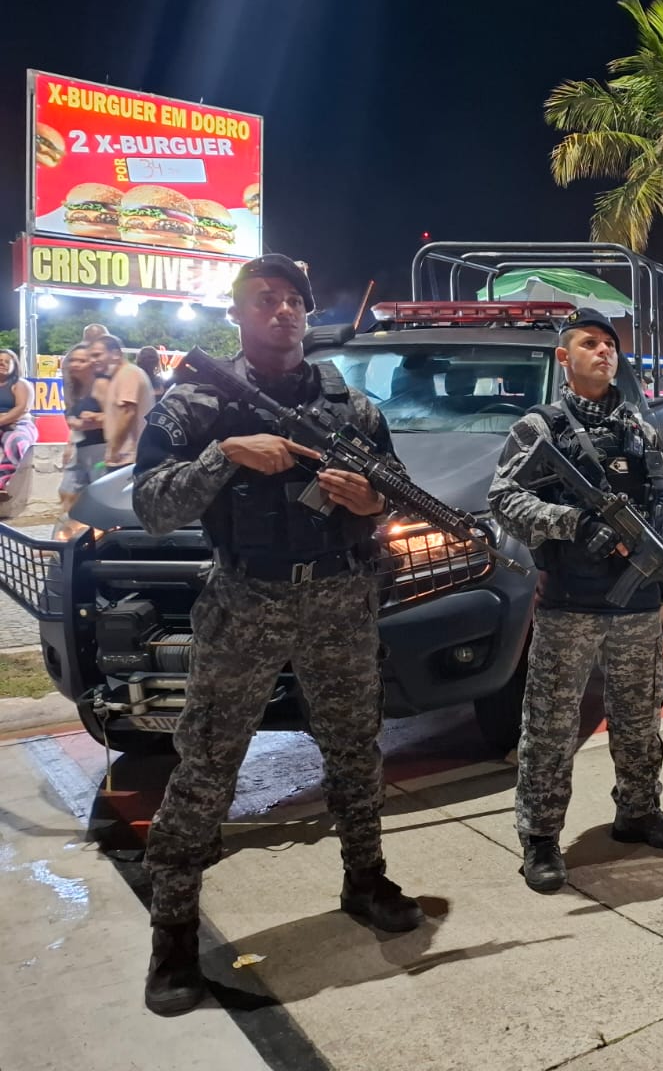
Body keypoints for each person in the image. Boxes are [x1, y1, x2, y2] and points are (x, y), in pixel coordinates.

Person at [132, 253, 423, 1017]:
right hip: (246, 599)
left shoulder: (349, 407)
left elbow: (388, 495)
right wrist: (224, 455)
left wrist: (366, 501)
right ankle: (173, 937)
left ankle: (366, 879)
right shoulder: (197, 403)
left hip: (339, 598)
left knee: (357, 748)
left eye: (293, 299)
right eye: (264, 299)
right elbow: (153, 505)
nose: (283, 310)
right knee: (207, 763)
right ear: (236, 314)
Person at [487, 307, 663, 894]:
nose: (604, 352)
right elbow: (504, 497)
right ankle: (539, 838)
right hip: (570, 606)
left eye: (609, 344)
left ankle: (638, 811)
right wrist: (571, 522)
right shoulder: (542, 427)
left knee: (638, 717)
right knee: (552, 726)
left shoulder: (640, 426)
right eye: (589, 343)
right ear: (565, 357)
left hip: (634, 606)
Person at [91, 333, 154, 470]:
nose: (93, 360)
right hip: (125, 457)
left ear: (115, 354)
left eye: (98, 355)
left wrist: (114, 449)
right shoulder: (121, 375)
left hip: (128, 458)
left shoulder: (128, 374)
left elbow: (127, 413)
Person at [57, 343, 107, 520]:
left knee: (99, 497)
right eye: (73, 360)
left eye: (82, 360)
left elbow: (120, 418)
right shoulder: (75, 389)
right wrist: (70, 442)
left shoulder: (102, 385)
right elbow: (74, 421)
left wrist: (95, 419)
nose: (75, 364)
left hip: (103, 449)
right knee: (67, 491)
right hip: (83, 447)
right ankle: (73, 537)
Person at [0, 349, 37, 502]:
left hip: (19, 424)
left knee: (14, 440)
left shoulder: (20, 384)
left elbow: (22, 409)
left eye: (7, 361)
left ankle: (2, 484)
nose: (2, 363)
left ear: (14, 365)